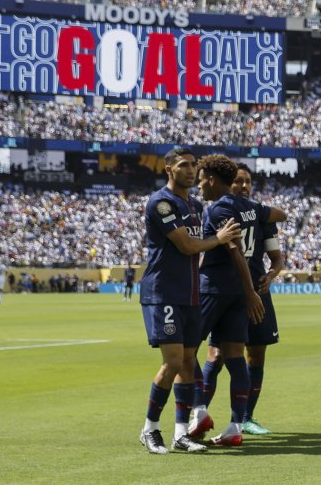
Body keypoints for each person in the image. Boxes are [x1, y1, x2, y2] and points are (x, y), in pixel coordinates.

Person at [139, 147, 241, 455]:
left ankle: (181, 432)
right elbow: (185, 245)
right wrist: (218, 239)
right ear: (168, 169)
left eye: (193, 165)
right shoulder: (161, 203)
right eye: (183, 165)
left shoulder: (195, 204)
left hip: (190, 295)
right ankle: (150, 428)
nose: (190, 170)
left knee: (186, 362)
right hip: (163, 293)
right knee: (172, 362)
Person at [195, 162, 288, 436]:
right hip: (233, 290)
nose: (243, 185)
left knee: (255, 354)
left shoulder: (260, 216)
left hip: (256, 290)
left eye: (247, 181)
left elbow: (276, 258)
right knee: (217, 353)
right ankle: (200, 413)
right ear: (228, 182)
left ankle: (245, 418)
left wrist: (271, 276)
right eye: (238, 181)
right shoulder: (224, 210)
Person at [186, 154, 266, 448]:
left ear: (212, 179)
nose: (198, 184)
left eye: (201, 178)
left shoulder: (219, 208)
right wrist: (246, 292)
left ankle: (199, 410)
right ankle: (235, 425)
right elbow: (274, 216)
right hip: (236, 295)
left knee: (185, 350)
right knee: (234, 357)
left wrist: (250, 292)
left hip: (216, 288)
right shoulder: (249, 207)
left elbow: (233, 251)